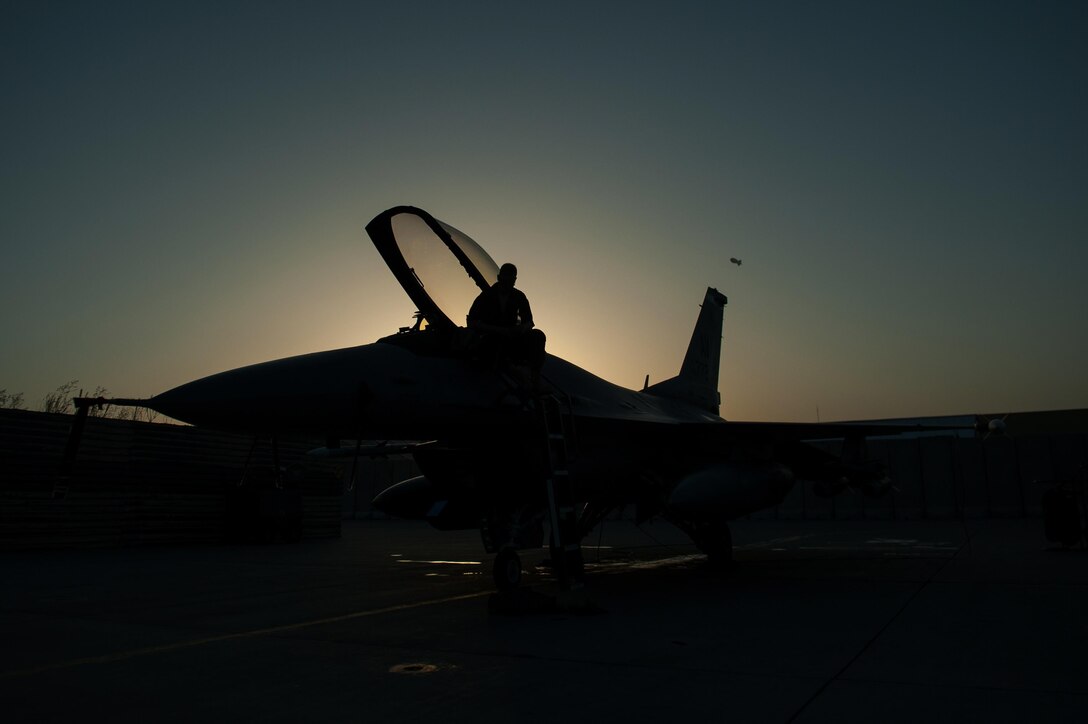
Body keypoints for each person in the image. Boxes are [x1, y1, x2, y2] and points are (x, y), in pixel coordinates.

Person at [467, 263, 546, 387]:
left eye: (511, 279)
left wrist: (521, 329)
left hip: (513, 339)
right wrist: (497, 330)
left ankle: (534, 377)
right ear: (499, 278)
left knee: (538, 336)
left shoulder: (519, 297)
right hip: (490, 338)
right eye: (506, 278)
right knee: (492, 344)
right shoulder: (486, 295)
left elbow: (529, 322)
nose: (508, 283)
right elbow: (471, 322)